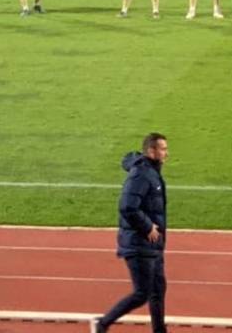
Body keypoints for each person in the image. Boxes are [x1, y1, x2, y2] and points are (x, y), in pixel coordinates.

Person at [95, 133, 169, 333]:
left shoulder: (152, 172)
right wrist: (148, 227)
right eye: (163, 149)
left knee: (158, 290)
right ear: (151, 151)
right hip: (139, 244)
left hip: (152, 245)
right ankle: (102, 324)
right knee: (142, 293)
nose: (167, 153)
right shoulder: (141, 175)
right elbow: (127, 206)